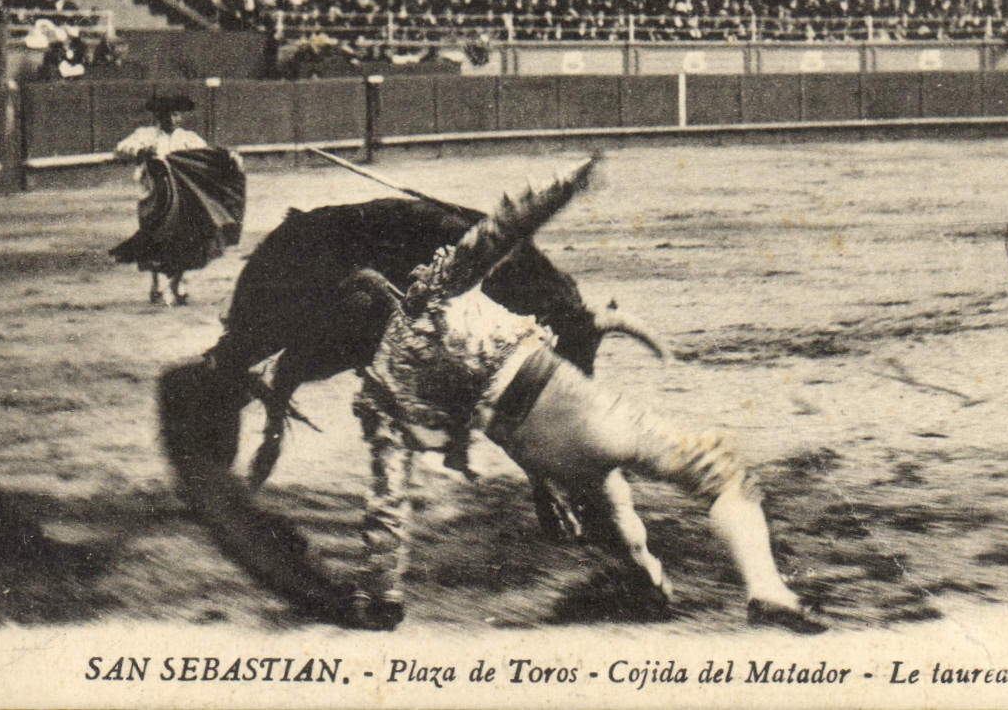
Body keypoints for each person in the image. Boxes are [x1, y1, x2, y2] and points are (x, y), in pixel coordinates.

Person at [346, 158, 826, 634]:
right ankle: (767, 590)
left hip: (532, 451)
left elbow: (388, 498)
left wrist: (384, 591)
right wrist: (567, 184)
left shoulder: (383, 388)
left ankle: (646, 580)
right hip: (569, 403)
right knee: (716, 472)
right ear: (392, 292)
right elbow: (503, 229)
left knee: (604, 499)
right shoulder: (435, 293)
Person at [112, 93, 223, 305]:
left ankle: (177, 283)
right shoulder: (145, 135)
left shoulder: (189, 139)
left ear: (181, 116)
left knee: (183, 239)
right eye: (167, 115)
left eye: (176, 114)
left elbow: (207, 159)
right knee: (155, 239)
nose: (172, 119)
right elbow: (120, 149)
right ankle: (158, 282)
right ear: (158, 116)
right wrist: (141, 151)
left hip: (182, 197)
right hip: (153, 195)